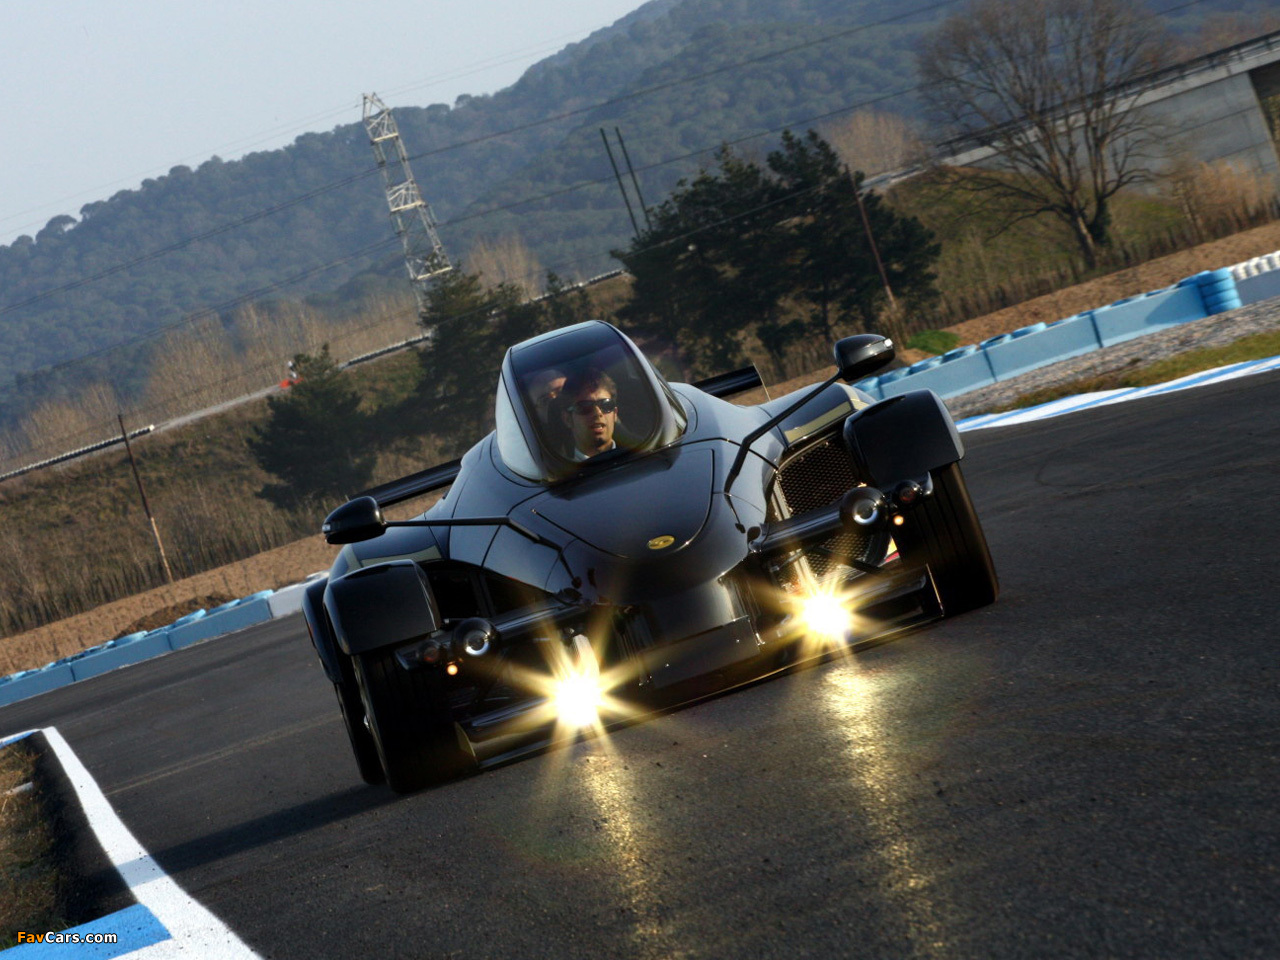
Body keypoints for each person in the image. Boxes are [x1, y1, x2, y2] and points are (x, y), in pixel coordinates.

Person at [560, 368, 619, 460]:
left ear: (615, 413)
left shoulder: (639, 455)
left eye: (605, 405)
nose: (598, 413)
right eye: (585, 407)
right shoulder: (558, 468)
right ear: (567, 419)